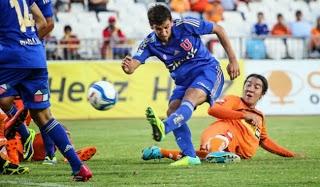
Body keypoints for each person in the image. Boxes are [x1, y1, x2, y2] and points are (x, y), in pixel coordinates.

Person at [121, 4, 240, 166]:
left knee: (190, 97)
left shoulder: (187, 25)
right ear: (151, 27)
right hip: (183, 81)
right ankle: (191, 157)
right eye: (158, 29)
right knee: (172, 109)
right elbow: (134, 64)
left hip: (208, 71)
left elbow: (218, 29)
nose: (163, 33)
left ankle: (164, 127)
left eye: (166, 27)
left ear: (171, 21)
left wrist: (232, 60)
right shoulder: (150, 43)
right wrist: (128, 67)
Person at [0, 0, 92, 181]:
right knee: (44, 116)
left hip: (10, 58)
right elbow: (43, 22)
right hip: (36, 56)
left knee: (5, 101)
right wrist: (27, 43)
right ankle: (79, 167)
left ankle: (21, 131)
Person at [142, 74, 299, 163]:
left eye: (256, 87)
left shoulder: (259, 117)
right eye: (248, 84)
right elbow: (214, 109)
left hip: (238, 152)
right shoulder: (233, 100)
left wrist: (289, 154)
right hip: (224, 144)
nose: (250, 88)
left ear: (262, 94)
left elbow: (264, 141)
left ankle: (162, 151)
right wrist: (243, 115)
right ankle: (214, 152)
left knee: (199, 155)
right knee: (225, 128)